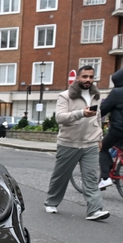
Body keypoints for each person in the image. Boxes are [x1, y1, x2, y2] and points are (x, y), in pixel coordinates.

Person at [44, 65, 109, 221]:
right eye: (85, 76)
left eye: (91, 77)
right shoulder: (65, 96)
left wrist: (100, 137)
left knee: (91, 177)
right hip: (69, 142)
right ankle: (51, 202)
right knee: (61, 176)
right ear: (78, 78)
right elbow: (60, 118)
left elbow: (98, 118)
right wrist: (81, 113)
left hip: (90, 142)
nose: (88, 80)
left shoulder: (96, 96)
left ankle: (94, 210)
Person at [97, 68, 123, 189]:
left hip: (119, 129)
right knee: (118, 149)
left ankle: (105, 178)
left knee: (102, 147)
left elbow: (102, 110)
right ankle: (114, 168)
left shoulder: (117, 92)